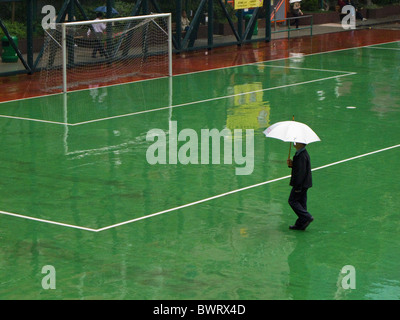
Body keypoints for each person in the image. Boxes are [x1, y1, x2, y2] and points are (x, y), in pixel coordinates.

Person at [286, 142, 314, 230]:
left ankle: (307, 217)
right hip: (305, 183)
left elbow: (300, 173)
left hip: (300, 184)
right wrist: (292, 164)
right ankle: (301, 223)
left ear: (301, 144)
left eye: (296, 141)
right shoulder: (301, 154)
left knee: (292, 201)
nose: (294, 142)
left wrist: (297, 187)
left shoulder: (301, 155)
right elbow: (300, 168)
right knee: (302, 203)